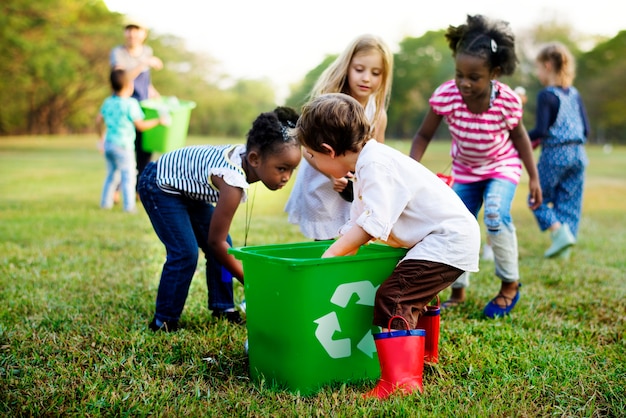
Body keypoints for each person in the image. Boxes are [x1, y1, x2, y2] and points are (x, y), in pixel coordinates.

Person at [294, 92, 480, 397]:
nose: (313, 163)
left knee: (395, 297)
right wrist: (344, 247)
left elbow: (372, 224)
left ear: (328, 150)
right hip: (442, 239)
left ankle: (402, 383)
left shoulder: (375, 166)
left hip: (446, 240)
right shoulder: (370, 162)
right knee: (414, 292)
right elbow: (358, 223)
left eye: (312, 157)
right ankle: (423, 359)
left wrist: (331, 255)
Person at [409, 14, 542, 318]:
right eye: (459, 74)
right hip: (466, 171)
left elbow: (520, 138)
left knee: (495, 213)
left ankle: (510, 285)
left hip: (501, 166)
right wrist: (412, 170)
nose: (465, 83)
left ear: (494, 73)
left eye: (474, 77)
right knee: (456, 225)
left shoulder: (506, 101)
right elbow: (423, 134)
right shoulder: (447, 95)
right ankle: (458, 288)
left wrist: (533, 177)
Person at [137, 107, 302, 332]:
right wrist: (248, 279)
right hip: (159, 184)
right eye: (282, 168)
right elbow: (216, 242)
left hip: (187, 191)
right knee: (185, 253)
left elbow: (220, 243)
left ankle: (223, 307)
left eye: (292, 169)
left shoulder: (248, 157)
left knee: (227, 247)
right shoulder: (232, 181)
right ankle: (163, 321)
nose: (286, 177)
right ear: (254, 158)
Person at [285, 34, 393, 240]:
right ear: (347, 67)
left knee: (351, 234)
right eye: (359, 69)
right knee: (325, 238)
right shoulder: (328, 104)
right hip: (321, 182)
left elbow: (376, 157)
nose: (366, 78)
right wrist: (332, 175)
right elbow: (307, 147)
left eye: (376, 73)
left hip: (352, 188)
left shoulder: (377, 114)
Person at [528, 42, 589, 259]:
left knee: (537, 199)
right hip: (579, 154)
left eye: (537, 68)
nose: (537, 73)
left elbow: (541, 130)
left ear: (546, 66)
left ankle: (558, 234)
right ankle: (564, 250)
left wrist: (517, 137)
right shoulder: (574, 93)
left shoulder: (547, 95)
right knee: (569, 202)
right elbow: (587, 129)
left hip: (556, 154)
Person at [96, 69, 168, 213]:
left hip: (109, 143)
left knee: (111, 175)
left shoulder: (108, 102)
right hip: (124, 145)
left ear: (111, 87)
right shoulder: (130, 104)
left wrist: (101, 137)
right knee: (128, 175)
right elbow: (140, 125)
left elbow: (98, 120)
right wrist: (159, 121)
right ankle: (129, 207)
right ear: (130, 86)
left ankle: (105, 203)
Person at [110, 18, 163, 188]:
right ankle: (117, 190)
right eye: (129, 29)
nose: (132, 33)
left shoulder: (147, 50)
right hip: (124, 106)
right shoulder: (118, 53)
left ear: (144, 33)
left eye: (136, 29)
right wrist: (143, 63)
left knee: (144, 151)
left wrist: (155, 94)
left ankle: (140, 189)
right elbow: (121, 80)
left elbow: (145, 82)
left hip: (144, 106)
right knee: (124, 149)